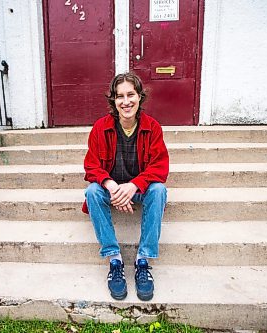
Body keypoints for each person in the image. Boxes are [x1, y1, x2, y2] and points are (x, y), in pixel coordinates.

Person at [82, 72, 169, 301]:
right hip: (112, 189)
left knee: (159, 190)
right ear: (113, 100)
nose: (126, 101)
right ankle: (114, 259)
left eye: (131, 94)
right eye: (119, 96)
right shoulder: (100, 128)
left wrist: (134, 185)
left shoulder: (153, 127)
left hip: (138, 190)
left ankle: (143, 260)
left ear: (140, 97)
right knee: (92, 191)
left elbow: (159, 167)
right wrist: (111, 186)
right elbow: (91, 166)